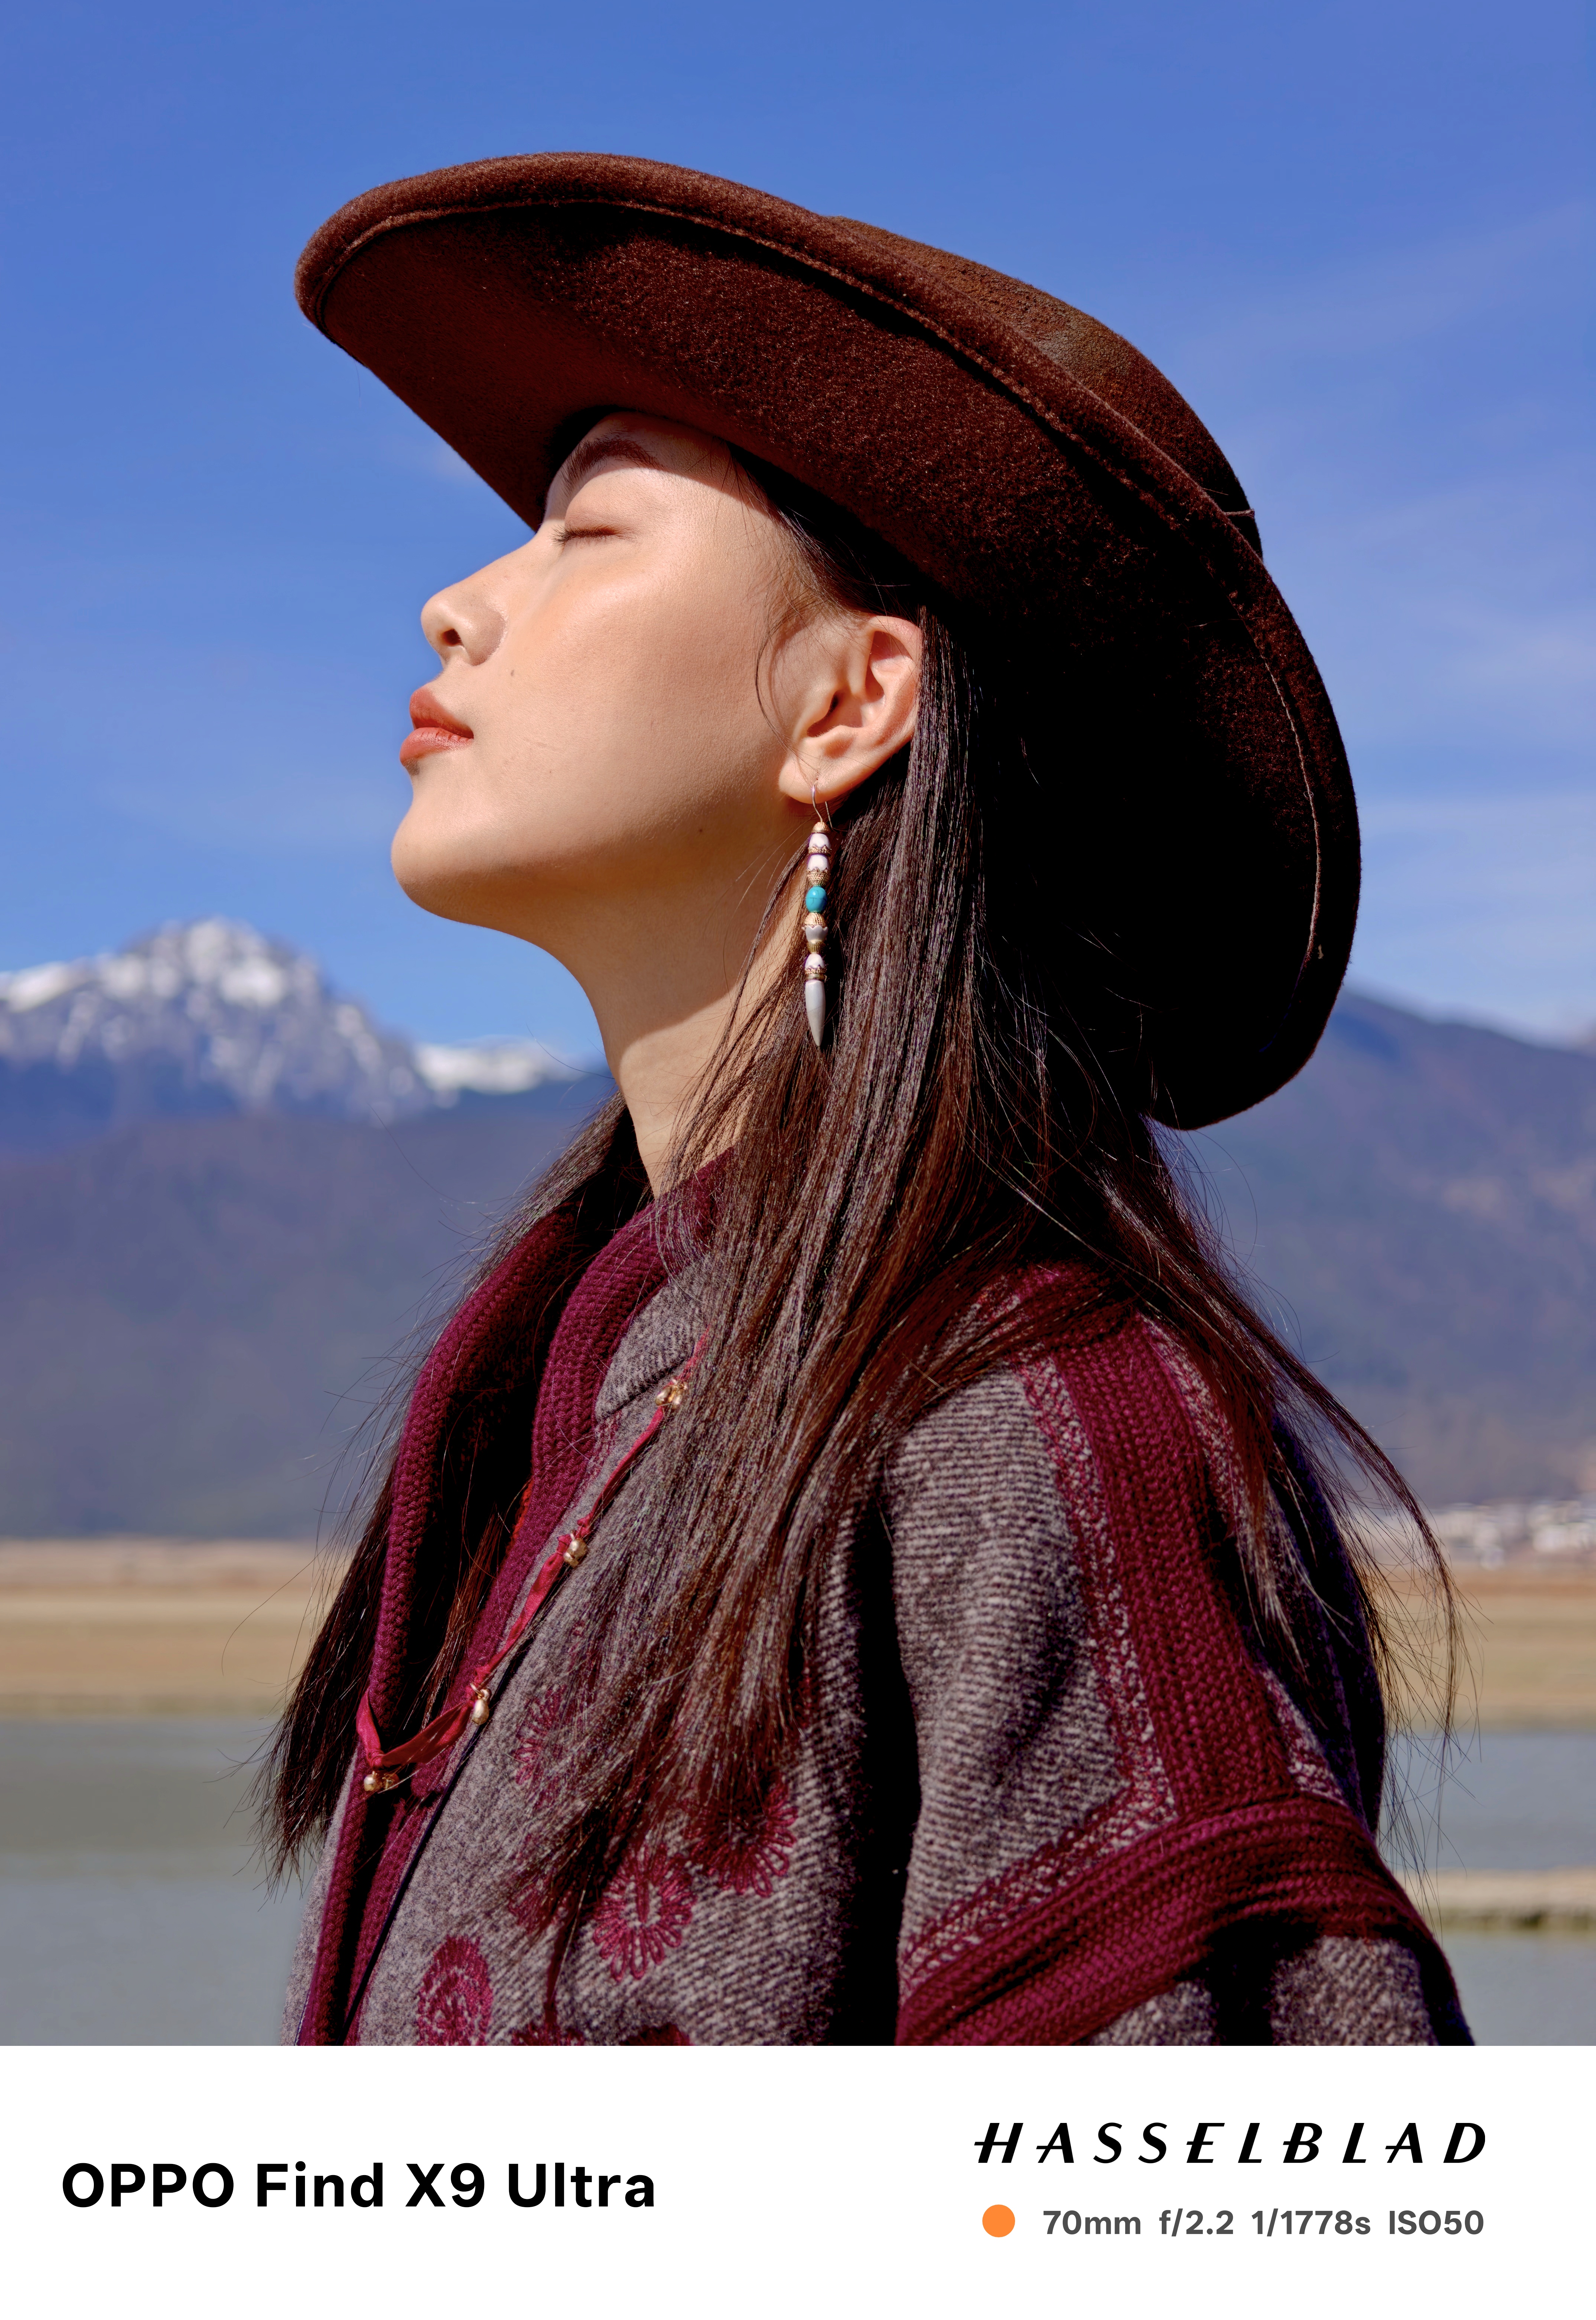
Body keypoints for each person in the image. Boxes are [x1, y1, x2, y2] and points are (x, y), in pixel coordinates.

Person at [266, 154, 1468, 2046]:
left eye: (589, 533)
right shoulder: (587, 1413)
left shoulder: (1044, 1431)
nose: (454, 605)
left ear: (849, 704)